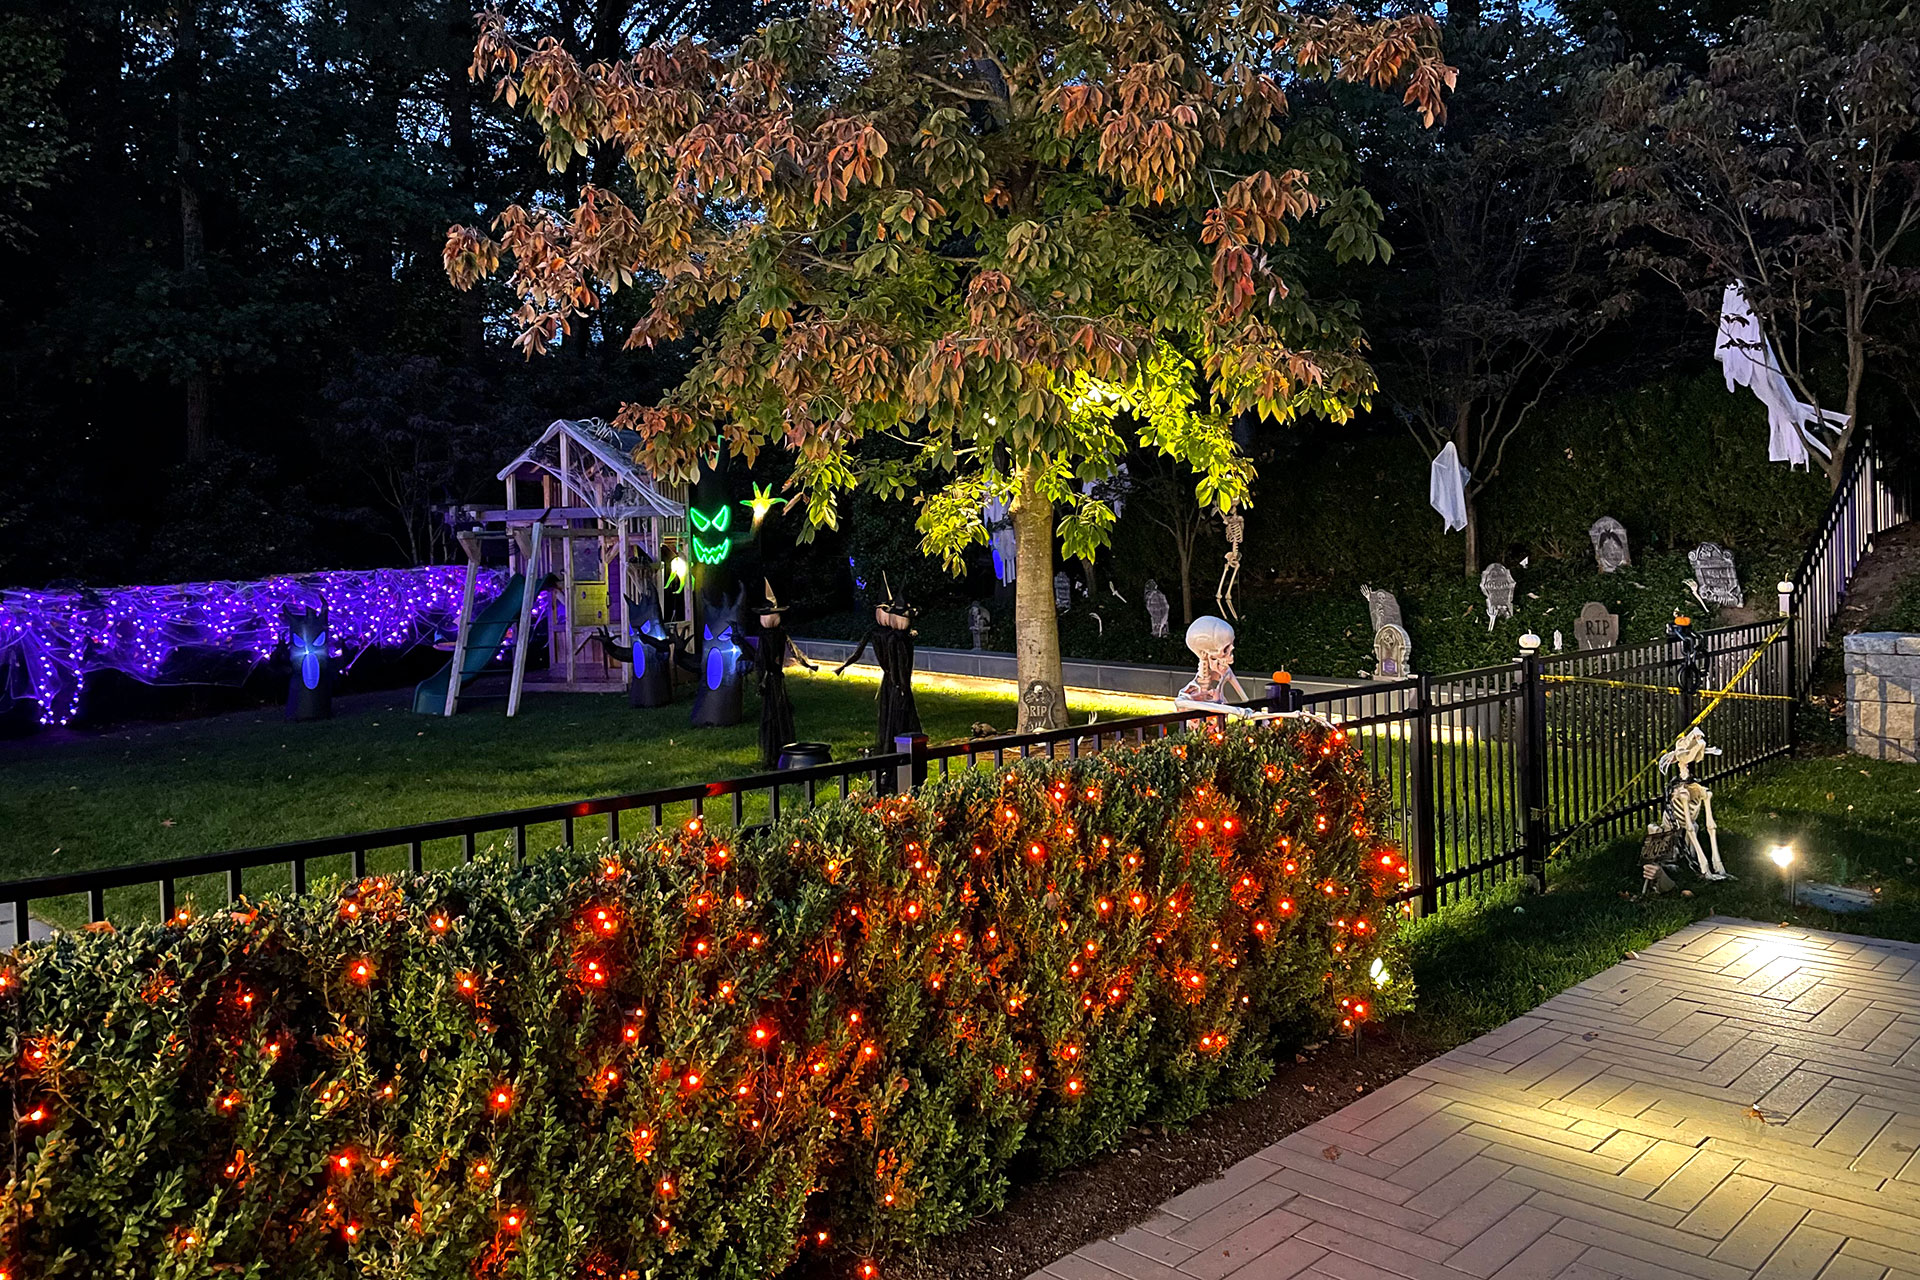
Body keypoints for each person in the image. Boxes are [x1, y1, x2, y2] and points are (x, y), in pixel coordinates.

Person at [834, 573, 922, 754]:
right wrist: (902, 686)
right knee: (896, 716)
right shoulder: (892, 639)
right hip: (896, 684)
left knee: (898, 715)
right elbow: (896, 664)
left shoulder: (898, 637)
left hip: (897, 683)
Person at [754, 580, 816, 768]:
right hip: (773, 679)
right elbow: (762, 660)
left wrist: (808, 664)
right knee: (774, 712)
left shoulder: (777, 635)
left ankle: (780, 749)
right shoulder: (768, 637)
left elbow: (790, 650)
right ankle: (774, 749)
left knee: (777, 712)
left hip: (775, 679)